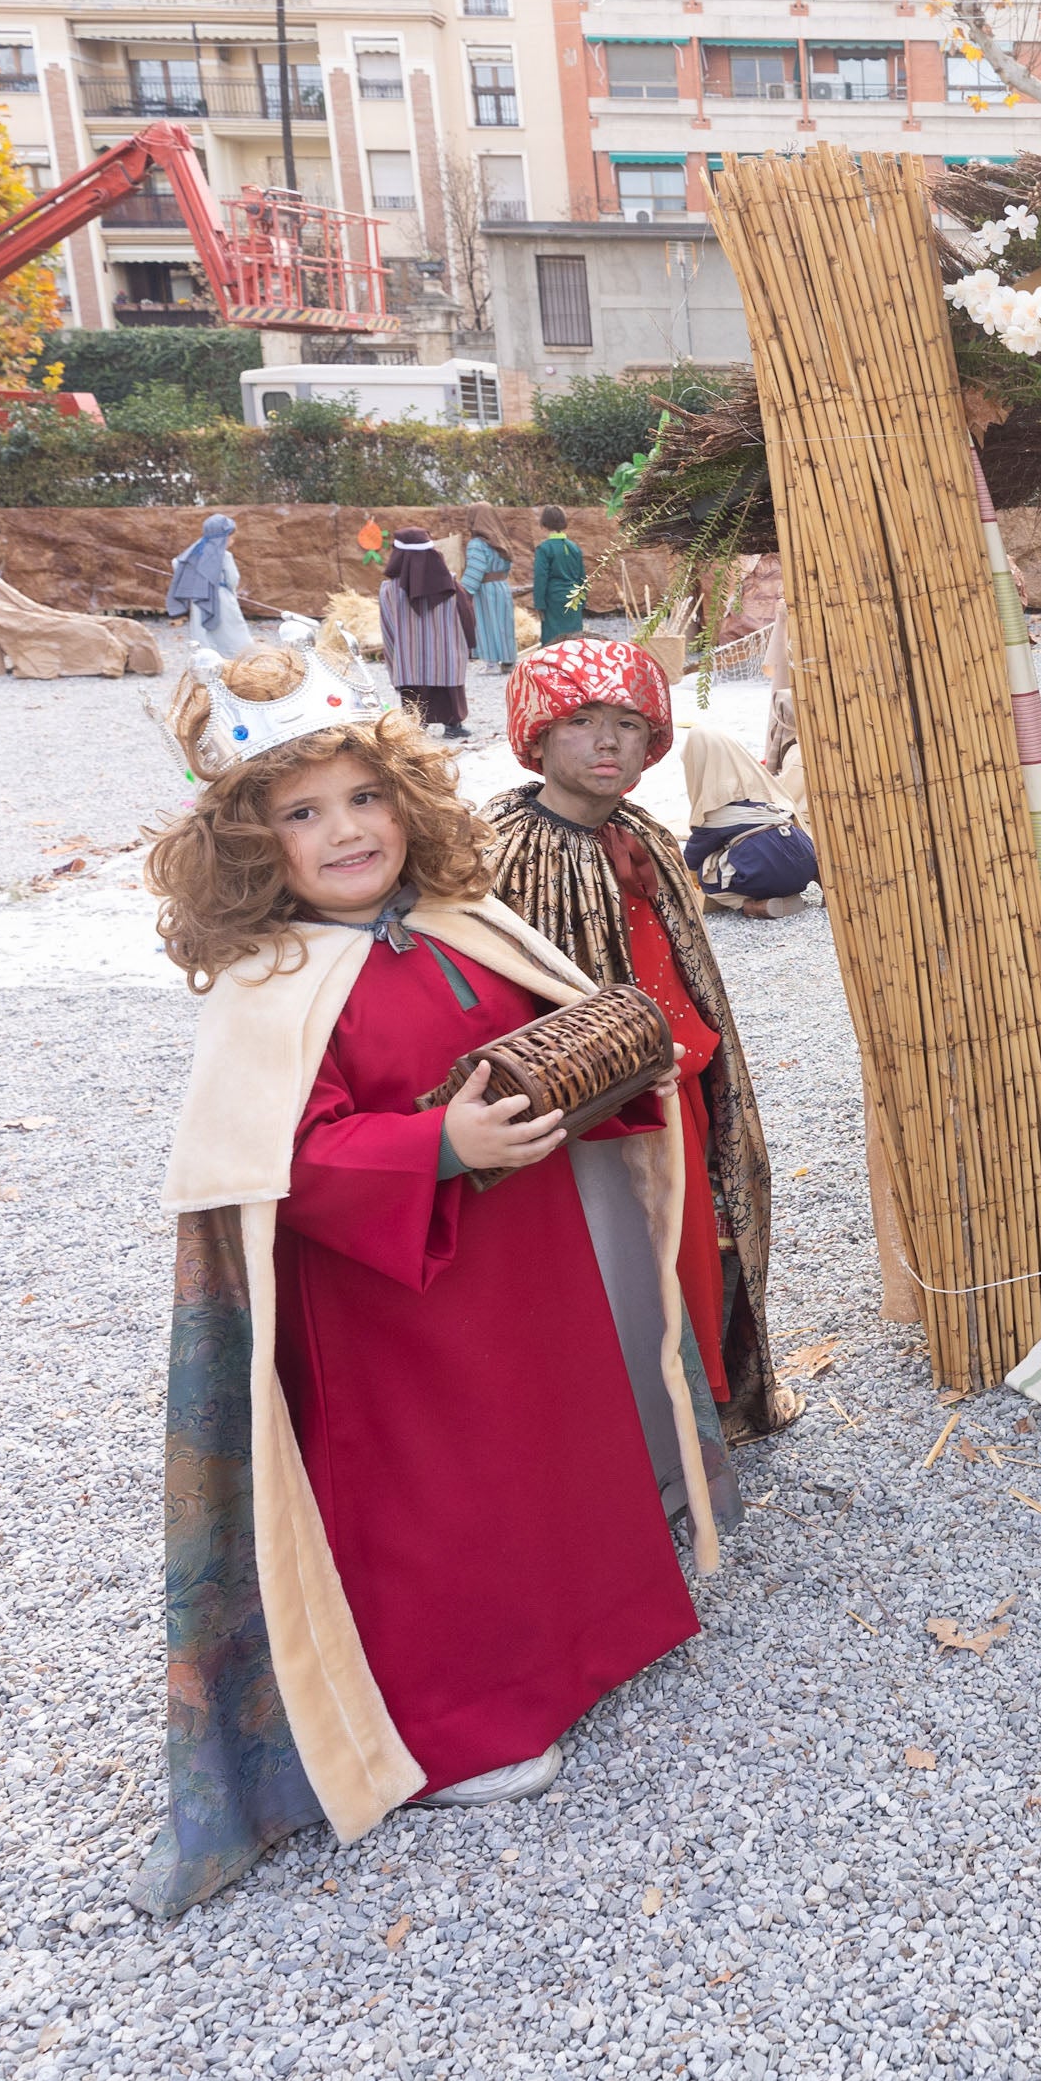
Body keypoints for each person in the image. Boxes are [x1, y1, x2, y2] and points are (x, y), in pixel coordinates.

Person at [135, 636, 723, 1914]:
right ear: (249, 843)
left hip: (524, 1272)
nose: (347, 831)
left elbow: (540, 1035)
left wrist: (600, 1071)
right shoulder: (271, 984)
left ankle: (591, 1634)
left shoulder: (458, 922)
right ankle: (451, 1720)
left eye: (364, 797)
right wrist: (433, 1146)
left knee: (542, 1455)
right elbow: (277, 1162)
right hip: (398, 1312)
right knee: (444, 1495)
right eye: (302, 813)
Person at [485, 638, 791, 1436]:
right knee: (615, 1256)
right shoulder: (509, 851)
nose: (608, 740)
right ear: (538, 733)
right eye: (582, 719)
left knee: (696, 1244)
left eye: (628, 722)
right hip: (591, 1111)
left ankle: (703, 1405)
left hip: (680, 1079)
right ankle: (626, 1425)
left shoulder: (646, 832)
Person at [681, 722, 821, 916]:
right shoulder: (763, 792)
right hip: (804, 869)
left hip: (768, 875)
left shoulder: (716, 810)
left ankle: (753, 906)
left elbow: (691, 860)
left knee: (706, 872)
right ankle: (789, 894)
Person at [378, 531, 474, 740]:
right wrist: (468, 647)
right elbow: (466, 615)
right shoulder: (450, 584)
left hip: (409, 658)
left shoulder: (389, 590)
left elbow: (387, 627)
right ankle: (453, 723)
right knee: (446, 677)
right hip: (446, 654)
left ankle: (415, 724)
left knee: (413, 686)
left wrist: (394, 660)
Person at [164, 513, 247, 659]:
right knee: (231, 628)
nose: (233, 541)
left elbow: (177, 563)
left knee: (201, 628)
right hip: (222, 597)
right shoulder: (225, 556)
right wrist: (231, 591)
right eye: (231, 537)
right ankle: (237, 655)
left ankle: (205, 657)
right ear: (223, 538)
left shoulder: (194, 553)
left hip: (199, 597)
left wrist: (193, 579)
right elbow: (233, 579)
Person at [532, 505, 592, 649]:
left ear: (544, 524)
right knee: (575, 638)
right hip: (574, 597)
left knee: (553, 640)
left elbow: (540, 578)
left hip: (553, 600)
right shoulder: (574, 547)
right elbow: (582, 576)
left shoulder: (544, 548)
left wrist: (539, 603)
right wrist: (582, 599)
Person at [463, 527, 519, 669]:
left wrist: (463, 591)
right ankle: (508, 660)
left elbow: (475, 569)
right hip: (502, 586)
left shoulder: (477, 544)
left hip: (485, 589)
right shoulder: (500, 540)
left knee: (487, 625)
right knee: (504, 625)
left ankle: (491, 663)